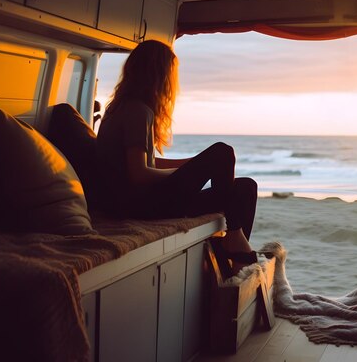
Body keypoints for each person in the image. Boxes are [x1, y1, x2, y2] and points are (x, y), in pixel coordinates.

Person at [96, 40, 257, 274]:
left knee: (245, 187)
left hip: (135, 203)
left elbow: (148, 163)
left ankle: (234, 256)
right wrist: (189, 173)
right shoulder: (138, 111)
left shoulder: (122, 108)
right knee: (222, 152)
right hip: (138, 206)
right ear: (158, 74)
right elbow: (139, 175)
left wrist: (192, 166)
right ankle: (233, 238)